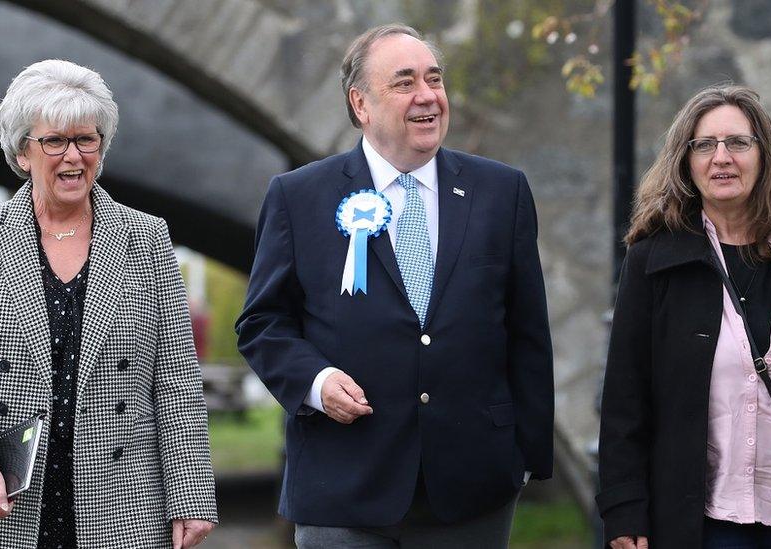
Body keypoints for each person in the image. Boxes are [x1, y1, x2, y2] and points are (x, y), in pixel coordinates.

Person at [236, 24, 554, 548]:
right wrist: (314, 383)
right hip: (344, 486)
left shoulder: (501, 192)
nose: (428, 96)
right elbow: (262, 323)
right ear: (360, 104)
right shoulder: (299, 197)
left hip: (472, 492)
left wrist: (526, 457)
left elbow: (527, 330)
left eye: (435, 79)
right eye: (405, 83)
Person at [0, 59, 217, 549]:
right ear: (22, 152)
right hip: (4, 502)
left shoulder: (146, 238)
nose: (74, 157)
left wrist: (191, 495)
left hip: (123, 506)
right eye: (54, 141)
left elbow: (177, 380)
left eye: (87, 139)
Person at [597, 84, 771, 549]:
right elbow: (626, 394)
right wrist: (624, 508)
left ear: (764, 154)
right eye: (704, 145)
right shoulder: (654, 259)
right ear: (686, 162)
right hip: (702, 520)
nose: (721, 157)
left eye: (738, 143)